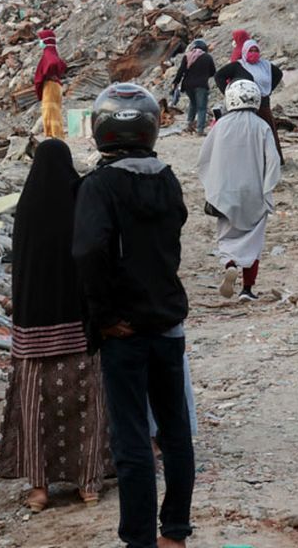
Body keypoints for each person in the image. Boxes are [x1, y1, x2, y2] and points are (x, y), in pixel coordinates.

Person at [73, 83, 193, 548]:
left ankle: (139, 539)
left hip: (124, 331)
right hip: (168, 323)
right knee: (175, 431)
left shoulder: (99, 186)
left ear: (102, 129)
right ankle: (176, 533)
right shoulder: (166, 179)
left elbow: (87, 252)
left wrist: (102, 316)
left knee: (132, 441)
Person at [0, 139, 111, 513]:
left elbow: (20, 271)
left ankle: (39, 490)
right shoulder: (78, 201)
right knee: (86, 407)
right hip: (77, 327)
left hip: (33, 330)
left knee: (35, 412)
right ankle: (87, 484)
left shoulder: (26, 208)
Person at [199, 80, 282, 302]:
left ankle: (230, 264)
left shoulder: (221, 126)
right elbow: (273, 160)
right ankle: (247, 289)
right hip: (253, 193)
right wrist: (268, 188)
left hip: (225, 193)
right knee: (253, 242)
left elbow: (205, 159)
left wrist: (212, 187)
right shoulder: (262, 126)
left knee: (227, 236)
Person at [214, 38, 285, 163]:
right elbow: (219, 76)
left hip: (263, 104)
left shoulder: (265, 66)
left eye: (255, 50)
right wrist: (228, 93)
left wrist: (268, 90)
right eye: (250, 50)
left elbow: (278, 74)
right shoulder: (238, 66)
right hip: (244, 107)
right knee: (247, 134)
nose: (253, 53)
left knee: (268, 132)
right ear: (245, 51)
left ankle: (273, 161)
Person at [172, 38, 216, 136]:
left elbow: (180, 71)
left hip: (188, 85)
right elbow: (213, 72)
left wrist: (175, 82)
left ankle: (189, 125)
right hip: (201, 85)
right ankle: (200, 130)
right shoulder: (207, 57)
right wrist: (205, 74)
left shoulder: (187, 56)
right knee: (202, 107)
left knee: (193, 104)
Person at [34, 29, 67, 139]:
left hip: (50, 85)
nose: (40, 42)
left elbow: (52, 62)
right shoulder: (53, 53)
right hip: (55, 85)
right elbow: (62, 64)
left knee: (50, 110)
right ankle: (54, 134)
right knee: (54, 110)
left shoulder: (48, 54)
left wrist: (48, 72)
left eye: (41, 40)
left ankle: (54, 135)